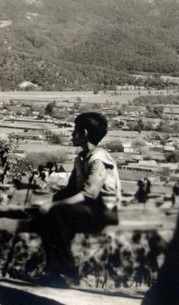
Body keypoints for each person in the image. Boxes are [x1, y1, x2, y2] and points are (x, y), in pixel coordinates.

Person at [33, 112, 121, 286]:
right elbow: (70, 189)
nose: (72, 135)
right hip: (86, 208)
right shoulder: (81, 158)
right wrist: (49, 201)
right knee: (44, 216)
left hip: (103, 210)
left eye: (75, 131)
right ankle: (52, 270)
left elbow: (90, 194)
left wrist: (55, 205)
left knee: (57, 213)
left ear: (85, 133)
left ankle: (67, 271)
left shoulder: (99, 160)